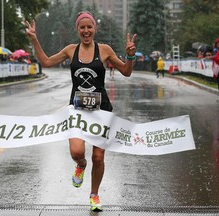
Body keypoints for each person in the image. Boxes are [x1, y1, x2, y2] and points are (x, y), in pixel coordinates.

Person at [25, 11, 137, 211]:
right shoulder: (71, 50)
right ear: (78, 29)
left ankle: (94, 195)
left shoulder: (104, 50)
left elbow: (126, 72)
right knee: (77, 152)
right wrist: (35, 40)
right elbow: (47, 62)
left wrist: (130, 55)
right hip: (77, 111)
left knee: (99, 157)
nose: (86, 31)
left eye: (89, 27)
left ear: (95, 29)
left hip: (101, 110)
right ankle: (81, 165)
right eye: (82, 27)